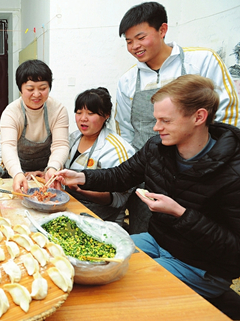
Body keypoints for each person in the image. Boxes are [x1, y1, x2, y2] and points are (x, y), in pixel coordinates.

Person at [56, 75, 240, 315]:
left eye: (165, 120)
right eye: (156, 119)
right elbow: (122, 175)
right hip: (157, 242)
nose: (156, 127)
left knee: (115, 288)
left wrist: (180, 213)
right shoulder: (157, 147)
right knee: (91, 261)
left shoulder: (232, 171)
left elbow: (234, 252)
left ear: (199, 117)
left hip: (201, 266)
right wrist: (81, 177)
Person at [114, 1, 240, 234]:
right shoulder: (127, 81)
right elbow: (125, 131)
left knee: (198, 243)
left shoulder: (202, 61)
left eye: (140, 37)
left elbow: (228, 117)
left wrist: (209, 168)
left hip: (202, 178)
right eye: (128, 41)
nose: (134, 47)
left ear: (162, 30)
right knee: (145, 243)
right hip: (150, 178)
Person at [65, 88, 135, 225]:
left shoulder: (118, 149)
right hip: (71, 210)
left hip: (103, 221)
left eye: (90, 113)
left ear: (107, 115)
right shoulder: (73, 138)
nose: (83, 118)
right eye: (79, 112)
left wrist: (80, 189)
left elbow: (119, 199)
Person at [0, 59, 69, 192]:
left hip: (48, 174)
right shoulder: (11, 113)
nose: (37, 94)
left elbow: (61, 144)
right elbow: (8, 146)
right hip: (18, 171)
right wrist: (17, 173)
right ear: (20, 89)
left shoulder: (58, 110)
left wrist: (52, 168)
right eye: (30, 89)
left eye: (43, 88)